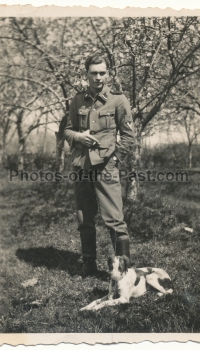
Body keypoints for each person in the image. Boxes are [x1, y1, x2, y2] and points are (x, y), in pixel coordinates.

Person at [64, 54, 134, 276]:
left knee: (114, 219)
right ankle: (89, 265)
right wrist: (78, 137)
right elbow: (67, 130)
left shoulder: (118, 100)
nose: (98, 77)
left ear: (108, 73)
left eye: (102, 72)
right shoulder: (77, 101)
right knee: (84, 217)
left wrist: (115, 159)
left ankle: (123, 271)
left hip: (106, 167)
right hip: (81, 166)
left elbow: (129, 136)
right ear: (86, 75)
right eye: (93, 73)